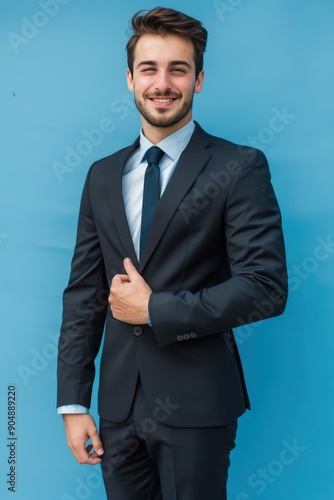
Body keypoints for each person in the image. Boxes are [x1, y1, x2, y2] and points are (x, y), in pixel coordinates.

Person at [57, 7, 287, 500]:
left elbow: (265, 289)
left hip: (197, 406)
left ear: (198, 79)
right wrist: (74, 405)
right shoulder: (101, 175)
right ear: (130, 79)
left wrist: (154, 308)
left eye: (178, 69)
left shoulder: (239, 166)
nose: (163, 83)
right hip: (117, 411)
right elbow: (84, 294)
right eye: (149, 69)